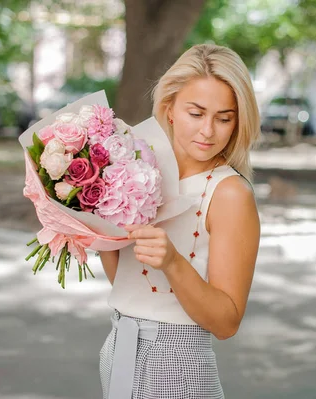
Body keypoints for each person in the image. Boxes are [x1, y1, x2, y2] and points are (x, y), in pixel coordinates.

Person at [98, 43, 261, 399]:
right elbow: (129, 284)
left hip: (176, 362)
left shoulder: (230, 194)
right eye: (196, 113)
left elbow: (226, 322)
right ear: (170, 109)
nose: (208, 131)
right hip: (118, 346)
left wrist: (172, 261)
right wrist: (92, 228)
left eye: (224, 117)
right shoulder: (141, 172)